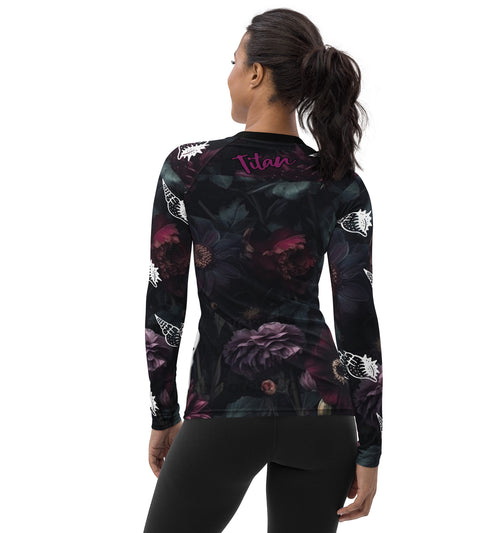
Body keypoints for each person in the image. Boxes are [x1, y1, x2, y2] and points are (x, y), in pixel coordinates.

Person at [143, 8, 383, 533]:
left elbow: (165, 303)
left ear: (255, 73)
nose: (230, 74)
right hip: (323, 417)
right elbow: (357, 318)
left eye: (234, 62)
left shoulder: (188, 168)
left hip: (223, 407)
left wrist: (164, 413)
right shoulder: (340, 181)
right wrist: (369, 445)